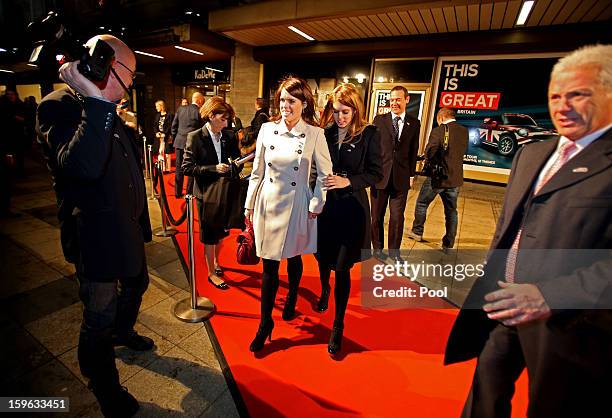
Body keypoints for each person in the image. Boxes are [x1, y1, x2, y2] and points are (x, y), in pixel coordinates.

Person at [445, 44, 612, 418]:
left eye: (577, 95)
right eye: (555, 96)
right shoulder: (532, 154)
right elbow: (508, 226)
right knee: (484, 391)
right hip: (504, 305)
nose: (562, 106)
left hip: (569, 324)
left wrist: (548, 295)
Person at [36, 34, 153, 417]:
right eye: (129, 75)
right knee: (99, 315)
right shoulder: (60, 106)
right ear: (106, 67)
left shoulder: (104, 107)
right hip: (97, 238)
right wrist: (97, 102)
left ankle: (124, 331)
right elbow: (83, 167)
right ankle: (104, 384)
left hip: (127, 228)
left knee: (138, 283)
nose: (131, 84)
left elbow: (126, 167)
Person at [244, 76, 332, 352]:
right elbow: (257, 172)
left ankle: (292, 296)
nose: (285, 105)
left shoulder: (315, 134)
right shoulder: (267, 130)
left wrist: (317, 202)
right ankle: (264, 323)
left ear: (303, 104)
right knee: (269, 266)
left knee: (294, 256)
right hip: (269, 203)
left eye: (291, 101)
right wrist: (248, 205)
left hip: (297, 204)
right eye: (282, 99)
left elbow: (325, 175)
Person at [316, 84, 383, 355]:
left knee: (343, 267)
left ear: (356, 110)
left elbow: (376, 174)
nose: (340, 117)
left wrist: (349, 181)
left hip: (352, 208)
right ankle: (323, 291)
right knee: (322, 258)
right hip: (326, 207)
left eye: (345, 112)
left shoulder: (370, 134)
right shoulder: (325, 133)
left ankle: (338, 324)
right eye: (336, 111)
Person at [182, 97, 241, 290]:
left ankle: (215, 262)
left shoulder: (229, 136)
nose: (225, 124)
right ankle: (210, 273)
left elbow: (236, 160)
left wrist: (235, 165)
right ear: (210, 116)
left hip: (225, 191)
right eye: (222, 119)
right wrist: (214, 168)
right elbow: (187, 168)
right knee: (209, 234)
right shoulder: (195, 137)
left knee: (222, 232)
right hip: (206, 193)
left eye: (227, 120)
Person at [370, 86, 420, 261]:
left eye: (398, 99)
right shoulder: (379, 120)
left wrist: (412, 175)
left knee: (397, 218)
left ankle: (394, 252)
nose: (394, 103)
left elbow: (414, 150)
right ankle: (377, 249)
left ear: (407, 99)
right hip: (380, 177)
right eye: (392, 100)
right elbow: (372, 148)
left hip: (401, 177)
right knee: (376, 216)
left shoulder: (414, 123)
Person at [408, 107, 468, 251]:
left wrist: (426, 159)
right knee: (451, 211)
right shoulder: (463, 131)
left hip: (437, 178)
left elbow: (431, 150)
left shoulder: (439, 130)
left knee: (422, 203)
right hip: (455, 178)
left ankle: (417, 232)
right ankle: (448, 243)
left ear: (441, 117)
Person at [172, 92, 204, 198]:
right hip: (192, 144)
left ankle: (177, 193)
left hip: (179, 142)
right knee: (191, 168)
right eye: (202, 101)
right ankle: (189, 193)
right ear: (199, 100)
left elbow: (174, 126)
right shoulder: (199, 111)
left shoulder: (181, 109)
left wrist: (177, 137)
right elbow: (202, 131)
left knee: (178, 168)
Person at [153, 99, 173, 172]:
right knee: (160, 151)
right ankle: (162, 168)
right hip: (159, 136)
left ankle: (168, 169)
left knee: (167, 153)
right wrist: (156, 132)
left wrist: (165, 133)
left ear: (161, 106)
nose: (156, 108)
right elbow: (155, 125)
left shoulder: (169, 115)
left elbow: (170, 125)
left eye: (157, 106)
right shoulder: (157, 115)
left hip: (166, 136)